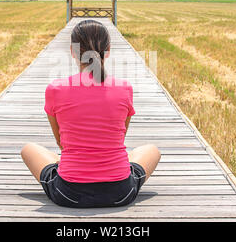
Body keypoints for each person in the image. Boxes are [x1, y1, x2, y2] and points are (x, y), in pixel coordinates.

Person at [21, 19, 160, 208]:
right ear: (108, 50)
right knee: (152, 150)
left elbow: (61, 143)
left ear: (72, 51)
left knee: (29, 149)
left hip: (69, 193)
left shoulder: (55, 89)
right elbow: (118, 138)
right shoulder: (125, 88)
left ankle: (74, 165)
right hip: (120, 192)